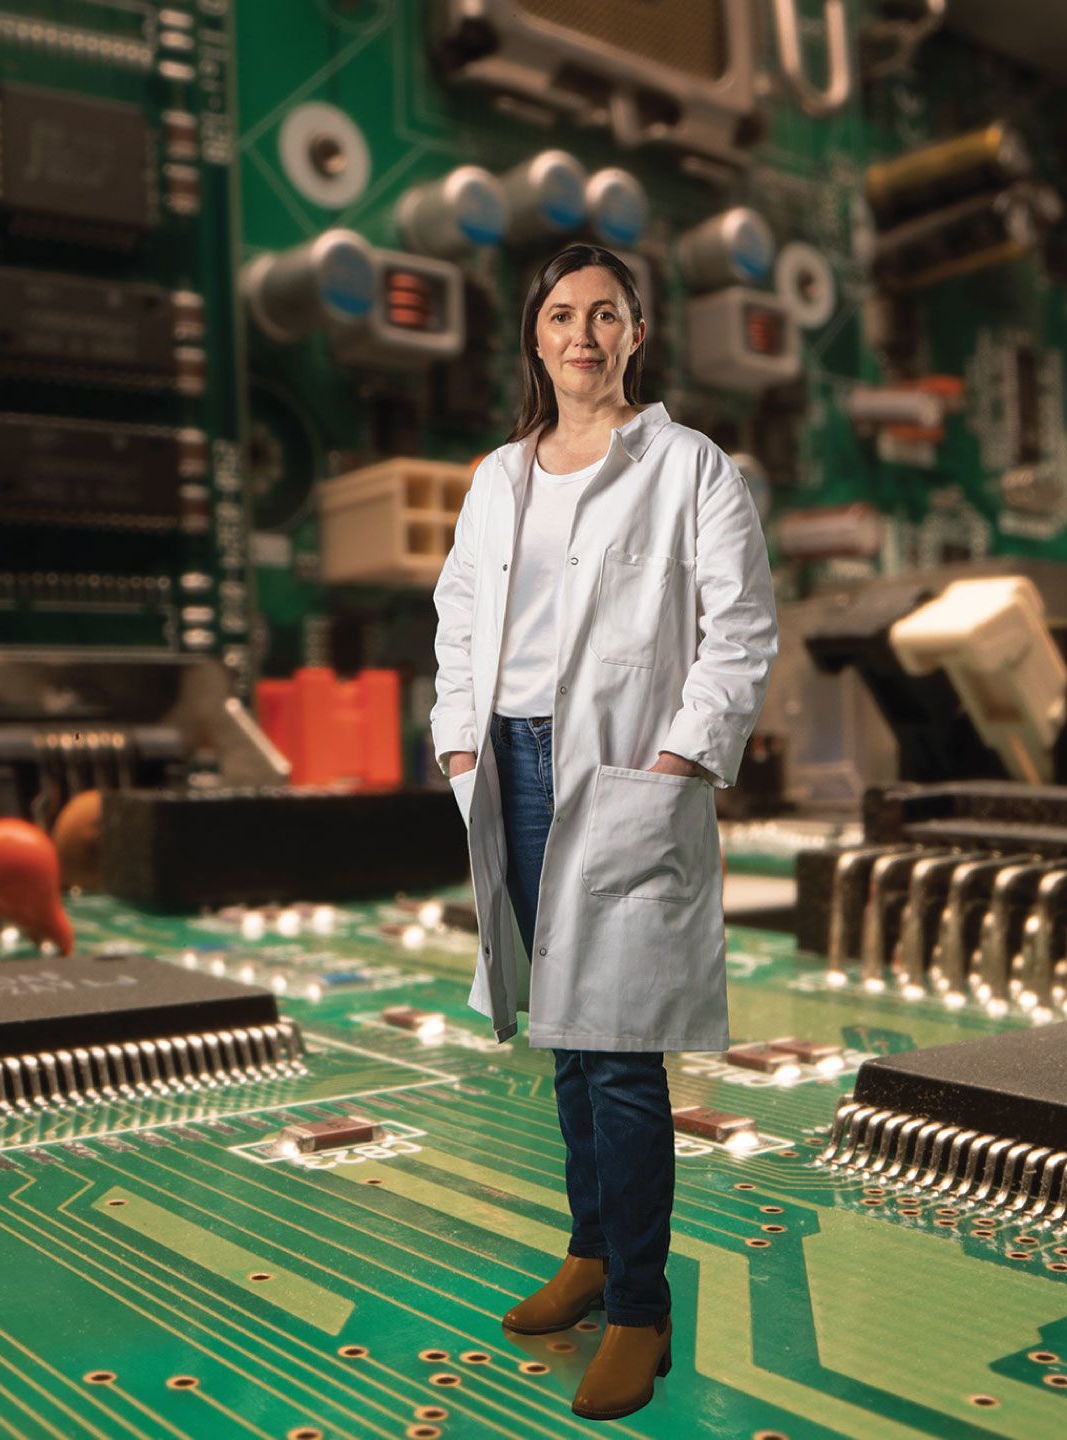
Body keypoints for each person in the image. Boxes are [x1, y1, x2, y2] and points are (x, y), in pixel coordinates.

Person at [427, 244, 778, 1421]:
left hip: (622, 771)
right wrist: (458, 748)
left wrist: (675, 761)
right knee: (565, 1037)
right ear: (535, 338)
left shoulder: (689, 468)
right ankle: (587, 1254)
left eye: (606, 316)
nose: (583, 335)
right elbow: (459, 619)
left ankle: (640, 1306)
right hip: (511, 763)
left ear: (637, 336)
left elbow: (738, 633)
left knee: (622, 1055)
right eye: (563, 316)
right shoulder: (495, 478)